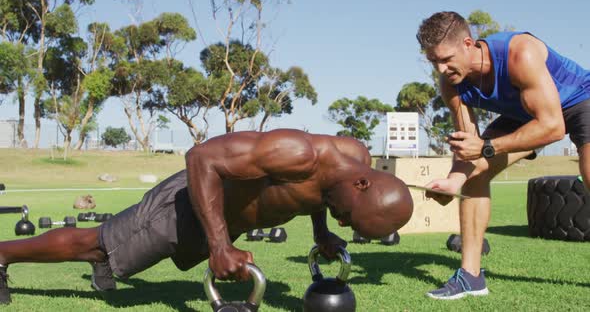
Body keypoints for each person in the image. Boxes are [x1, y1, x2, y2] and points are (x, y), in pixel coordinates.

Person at [0, 129, 414, 304]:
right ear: (361, 185)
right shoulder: (297, 152)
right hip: (189, 202)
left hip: (224, 221)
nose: (343, 223)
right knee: (93, 244)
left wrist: (322, 233)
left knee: (115, 256)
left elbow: (321, 198)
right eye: (346, 218)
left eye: (348, 226)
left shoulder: (356, 161)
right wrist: (219, 245)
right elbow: (201, 158)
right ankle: (3, 255)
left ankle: (108, 268)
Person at [415, 11, 590, 300]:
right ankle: (470, 277)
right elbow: (467, 145)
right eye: (434, 61)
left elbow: (553, 127)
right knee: (476, 172)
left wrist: (487, 148)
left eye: (446, 59)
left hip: (578, 100)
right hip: (524, 114)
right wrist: (453, 181)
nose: (441, 69)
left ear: (468, 44)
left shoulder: (520, 54)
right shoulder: (451, 85)